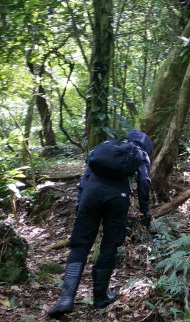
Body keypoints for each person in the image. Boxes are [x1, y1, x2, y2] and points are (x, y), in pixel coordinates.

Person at [48, 130, 153, 318]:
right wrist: (145, 211)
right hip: (118, 198)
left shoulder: (106, 146)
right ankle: (100, 298)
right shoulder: (139, 154)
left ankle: (66, 299)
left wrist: (80, 201)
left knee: (80, 244)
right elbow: (144, 181)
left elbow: (86, 175)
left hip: (90, 195)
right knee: (109, 246)